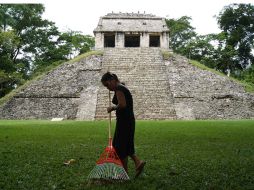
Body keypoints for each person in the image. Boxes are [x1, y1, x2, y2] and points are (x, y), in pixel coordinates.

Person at [101, 71, 146, 178]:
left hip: (124, 122)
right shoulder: (121, 87)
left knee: (119, 147)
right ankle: (138, 162)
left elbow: (122, 104)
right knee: (126, 146)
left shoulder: (119, 89)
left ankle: (123, 174)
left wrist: (112, 108)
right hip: (128, 120)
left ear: (112, 80)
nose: (107, 88)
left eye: (107, 85)